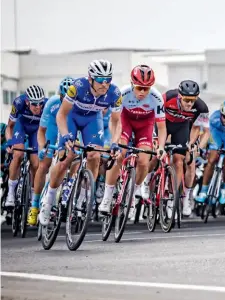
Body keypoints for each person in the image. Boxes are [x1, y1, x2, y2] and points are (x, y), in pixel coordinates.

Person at [39, 59, 123, 225]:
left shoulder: (114, 93)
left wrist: (115, 142)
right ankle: (48, 202)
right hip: (72, 118)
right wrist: (64, 136)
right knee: (67, 157)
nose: (104, 84)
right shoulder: (77, 87)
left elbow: (116, 122)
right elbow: (61, 115)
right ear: (90, 78)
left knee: (94, 155)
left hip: (92, 120)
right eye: (100, 80)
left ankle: (81, 200)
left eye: (108, 80)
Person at [99, 65, 166, 213]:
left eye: (146, 88)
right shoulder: (122, 93)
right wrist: (114, 141)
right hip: (125, 121)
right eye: (139, 88)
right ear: (131, 84)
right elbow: (114, 121)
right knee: (119, 154)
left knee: (143, 161)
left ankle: (132, 193)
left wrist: (161, 147)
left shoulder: (156, 97)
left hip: (145, 125)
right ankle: (107, 197)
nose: (142, 92)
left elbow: (161, 127)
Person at [28, 77, 74, 225]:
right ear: (59, 95)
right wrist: (42, 148)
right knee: (43, 164)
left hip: (69, 127)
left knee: (71, 157)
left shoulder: (78, 105)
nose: (66, 100)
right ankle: (34, 206)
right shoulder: (52, 103)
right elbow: (41, 131)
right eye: (63, 97)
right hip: (53, 127)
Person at [160, 80, 210, 216]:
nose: (189, 103)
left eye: (192, 100)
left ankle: (184, 197)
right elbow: (155, 118)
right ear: (179, 96)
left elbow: (204, 132)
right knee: (154, 154)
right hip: (163, 125)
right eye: (186, 100)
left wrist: (196, 146)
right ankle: (147, 182)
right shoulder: (167, 97)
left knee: (184, 159)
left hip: (184, 129)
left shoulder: (201, 108)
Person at [4, 85, 47, 208]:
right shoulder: (18, 102)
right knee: (18, 154)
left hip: (36, 130)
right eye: (34, 104)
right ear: (27, 102)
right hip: (21, 126)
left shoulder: (47, 105)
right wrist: (10, 142)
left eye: (40, 103)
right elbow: (10, 127)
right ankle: (11, 193)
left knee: (36, 164)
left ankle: (34, 195)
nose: (38, 107)